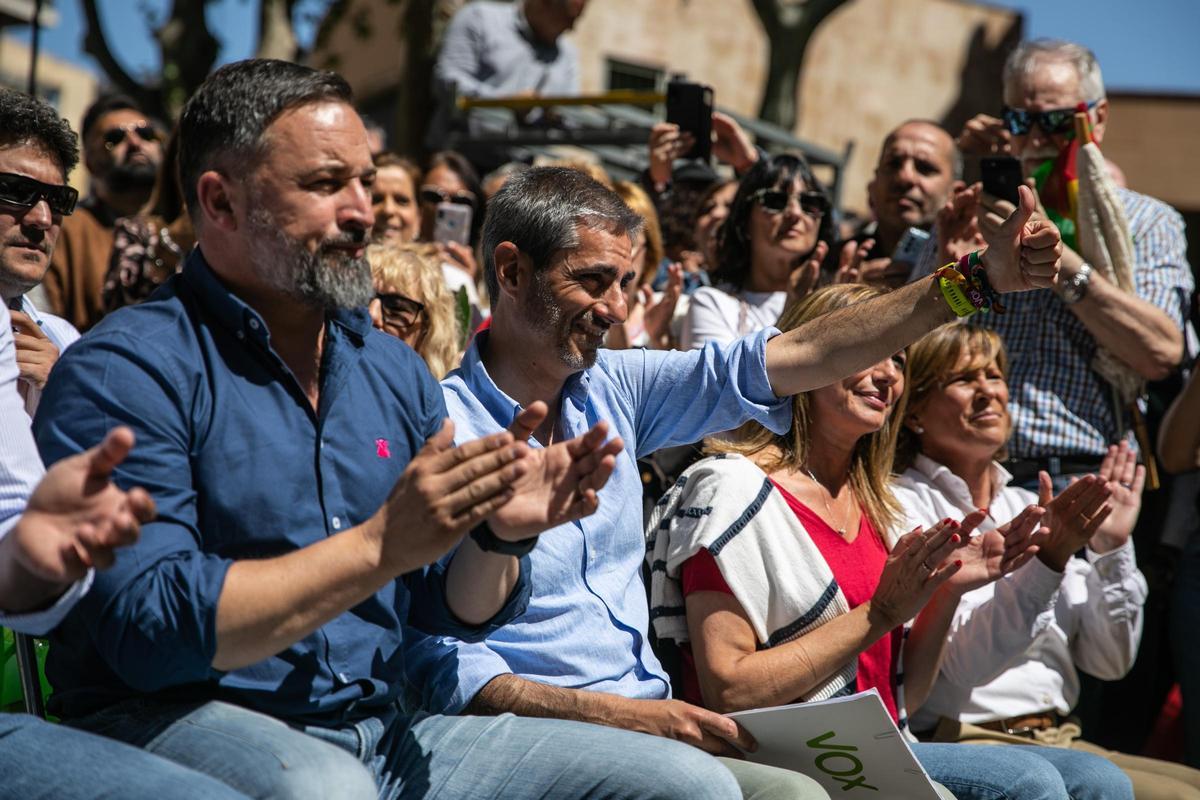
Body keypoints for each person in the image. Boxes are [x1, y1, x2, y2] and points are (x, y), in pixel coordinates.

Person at [33, 58, 744, 800]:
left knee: (691, 785)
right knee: (326, 789)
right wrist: (375, 548)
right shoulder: (129, 368)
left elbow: (447, 608)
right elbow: (152, 635)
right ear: (221, 202)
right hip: (176, 722)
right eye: (325, 183)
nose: (362, 213)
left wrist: (498, 537)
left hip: (384, 730)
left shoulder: (390, 373)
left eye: (366, 183)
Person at [405, 164, 1064, 795]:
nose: (614, 307)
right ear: (512, 271)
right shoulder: (437, 426)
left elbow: (801, 354)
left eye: (625, 283)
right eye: (593, 280)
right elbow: (440, 659)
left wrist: (975, 281)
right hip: (535, 735)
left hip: (656, 726)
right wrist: (625, 717)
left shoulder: (617, 387)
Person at [652, 284, 1134, 799]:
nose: (887, 374)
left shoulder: (877, 504)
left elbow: (905, 696)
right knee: (1029, 783)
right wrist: (878, 614)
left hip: (883, 744)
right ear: (808, 353)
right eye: (868, 352)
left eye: (899, 359)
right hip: (782, 750)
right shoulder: (732, 490)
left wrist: (948, 590)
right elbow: (730, 689)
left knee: (1100, 780)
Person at [893, 322, 1200, 798]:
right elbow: (953, 676)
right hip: (967, 736)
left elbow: (1108, 662)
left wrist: (1111, 546)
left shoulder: (1026, 502)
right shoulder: (906, 505)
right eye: (963, 379)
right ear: (914, 412)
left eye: (994, 376)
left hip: (1061, 736)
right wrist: (1049, 561)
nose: (987, 392)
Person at [0, 298, 247, 800]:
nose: (42, 218)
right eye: (18, 209)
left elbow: (15, 534)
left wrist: (34, 562)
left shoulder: (70, 345)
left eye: (62, 210)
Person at [952, 39, 1194, 489]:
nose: (1037, 138)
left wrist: (1061, 261)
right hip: (959, 477)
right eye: (1022, 120)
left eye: (1057, 121)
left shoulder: (1148, 220)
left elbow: (1162, 353)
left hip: (1078, 477)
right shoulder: (973, 214)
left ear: (1097, 119)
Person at [681, 152, 834, 350]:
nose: (795, 213)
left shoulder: (835, 304)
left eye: (809, 203)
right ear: (744, 220)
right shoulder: (713, 304)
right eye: (775, 201)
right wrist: (793, 311)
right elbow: (721, 381)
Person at [41, 93, 163, 331]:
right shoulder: (62, 229)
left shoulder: (190, 225)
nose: (135, 143)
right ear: (90, 162)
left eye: (146, 134)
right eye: (115, 138)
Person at [0, 88, 82, 418]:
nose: (42, 219)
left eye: (58, 199)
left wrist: (61, 392)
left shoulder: (66, 344)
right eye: (17, 191)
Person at [849, 120, 961, 288]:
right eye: (893, 164)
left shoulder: (975, 270)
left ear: (956, 193)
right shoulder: (832, 263)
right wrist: (841, 296)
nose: (905, 177)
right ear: (873, 185)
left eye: (924, 167)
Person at [102, 124, 197, 314]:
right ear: (172, 167)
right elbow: (119, 311)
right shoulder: (137, 232)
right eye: (193, 161)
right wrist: (172, 242)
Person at [367, 242, 462, 378]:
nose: (372, 314)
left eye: (396, 308)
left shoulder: (444, 398)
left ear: (427, 331)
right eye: (360, 301)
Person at [608, 179, 682, 351]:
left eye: (629, 245)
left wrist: (659, 338)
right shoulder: (578, 310)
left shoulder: (676, 313)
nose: (613, 258)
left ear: (648, 254)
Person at [369, 152, 422, 245]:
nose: (388, 210)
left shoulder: (440, 259)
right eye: (376, 200)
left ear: (419, 215)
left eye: (402, 201)